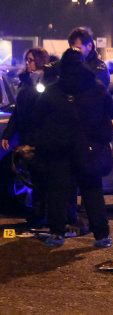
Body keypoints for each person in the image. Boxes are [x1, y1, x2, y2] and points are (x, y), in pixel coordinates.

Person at [32, 48, 113, 247]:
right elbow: (109, 112)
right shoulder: (97, 88)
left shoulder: (54, 90)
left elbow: (39, 118)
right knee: (93, 191)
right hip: (88, 149)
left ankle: (57, 233)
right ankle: (102, 236)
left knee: (58, 192)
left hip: (60, 150)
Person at [1, 48, 49, 227]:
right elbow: (18, 112)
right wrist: (8, 133)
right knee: (32, 177)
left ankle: (40, 215)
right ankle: (36, 214)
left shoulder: (44, 81)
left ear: (40, 61)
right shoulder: (25, 82)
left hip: (38, 137)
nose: (28, 63)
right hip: (26, 135)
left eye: (32, 60)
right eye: (27, 60)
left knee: (40, 178)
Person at [43, 27, 110, 88]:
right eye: (72, 48)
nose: (74, 51)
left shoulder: (99, 68)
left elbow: (94, 89)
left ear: (89, 46)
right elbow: (53, 67)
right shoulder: (67, 62)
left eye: (78, 48)